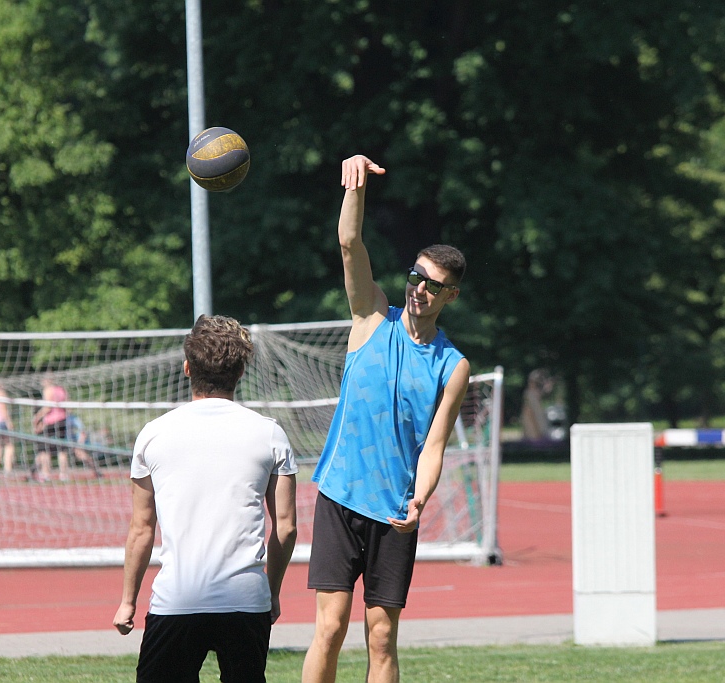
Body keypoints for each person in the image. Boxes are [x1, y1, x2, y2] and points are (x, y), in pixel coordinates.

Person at [302, 155, 471, 683]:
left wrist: (419, 500)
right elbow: (350, 245)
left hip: (396, 511)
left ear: (450, 295)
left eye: (433, 284)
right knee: (329, 629)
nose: (419, 288)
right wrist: (354, 189)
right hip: (340, 495)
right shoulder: (372, 316)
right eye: (416, 276)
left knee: (380, 636)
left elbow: (435, 445)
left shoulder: (453, 365)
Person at [113, 315, 298, 683]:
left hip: (178, 600)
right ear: (241, 371)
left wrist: (128, 601)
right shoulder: (270, 434)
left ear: (186, 368)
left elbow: (141, 529)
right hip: (246, 600)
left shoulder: (153, 435)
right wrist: (271, 592)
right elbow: (287, 527)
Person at [32, 375, 69, 482]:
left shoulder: (48, 390)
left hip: (51, 422)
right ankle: (63, 474)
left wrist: (37, 418)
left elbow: (47, 408)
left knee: (45, 450)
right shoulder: (61, 390)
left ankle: (46, 473)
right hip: (62, 420)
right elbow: (67, 406)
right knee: (62, 450)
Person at [66, 413, 102, 479]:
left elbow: (83, 432)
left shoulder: (73, 418)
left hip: (77, 442)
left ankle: (96, 471)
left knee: (82, 455)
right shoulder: (58, 419)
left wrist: (79, 444)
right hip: (65, 441)